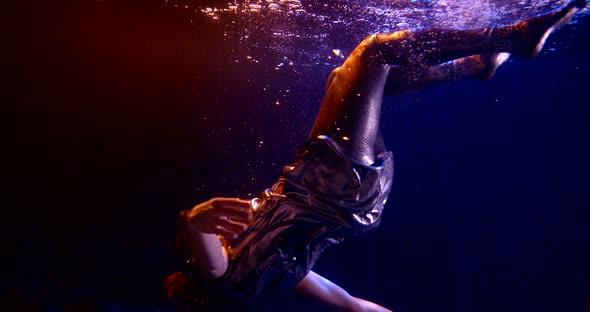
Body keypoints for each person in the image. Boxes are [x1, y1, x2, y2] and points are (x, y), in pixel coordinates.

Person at [165, 1, 586, 310]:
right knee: (374, 52)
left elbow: (348, 303)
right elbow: (210, 264)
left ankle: (478, 65)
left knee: (349, 78)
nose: (168, 288)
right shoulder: (221, 279)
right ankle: (514, 37)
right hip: (330, 182)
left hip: (355, 199)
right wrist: (194, 223)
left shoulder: (273, 274)